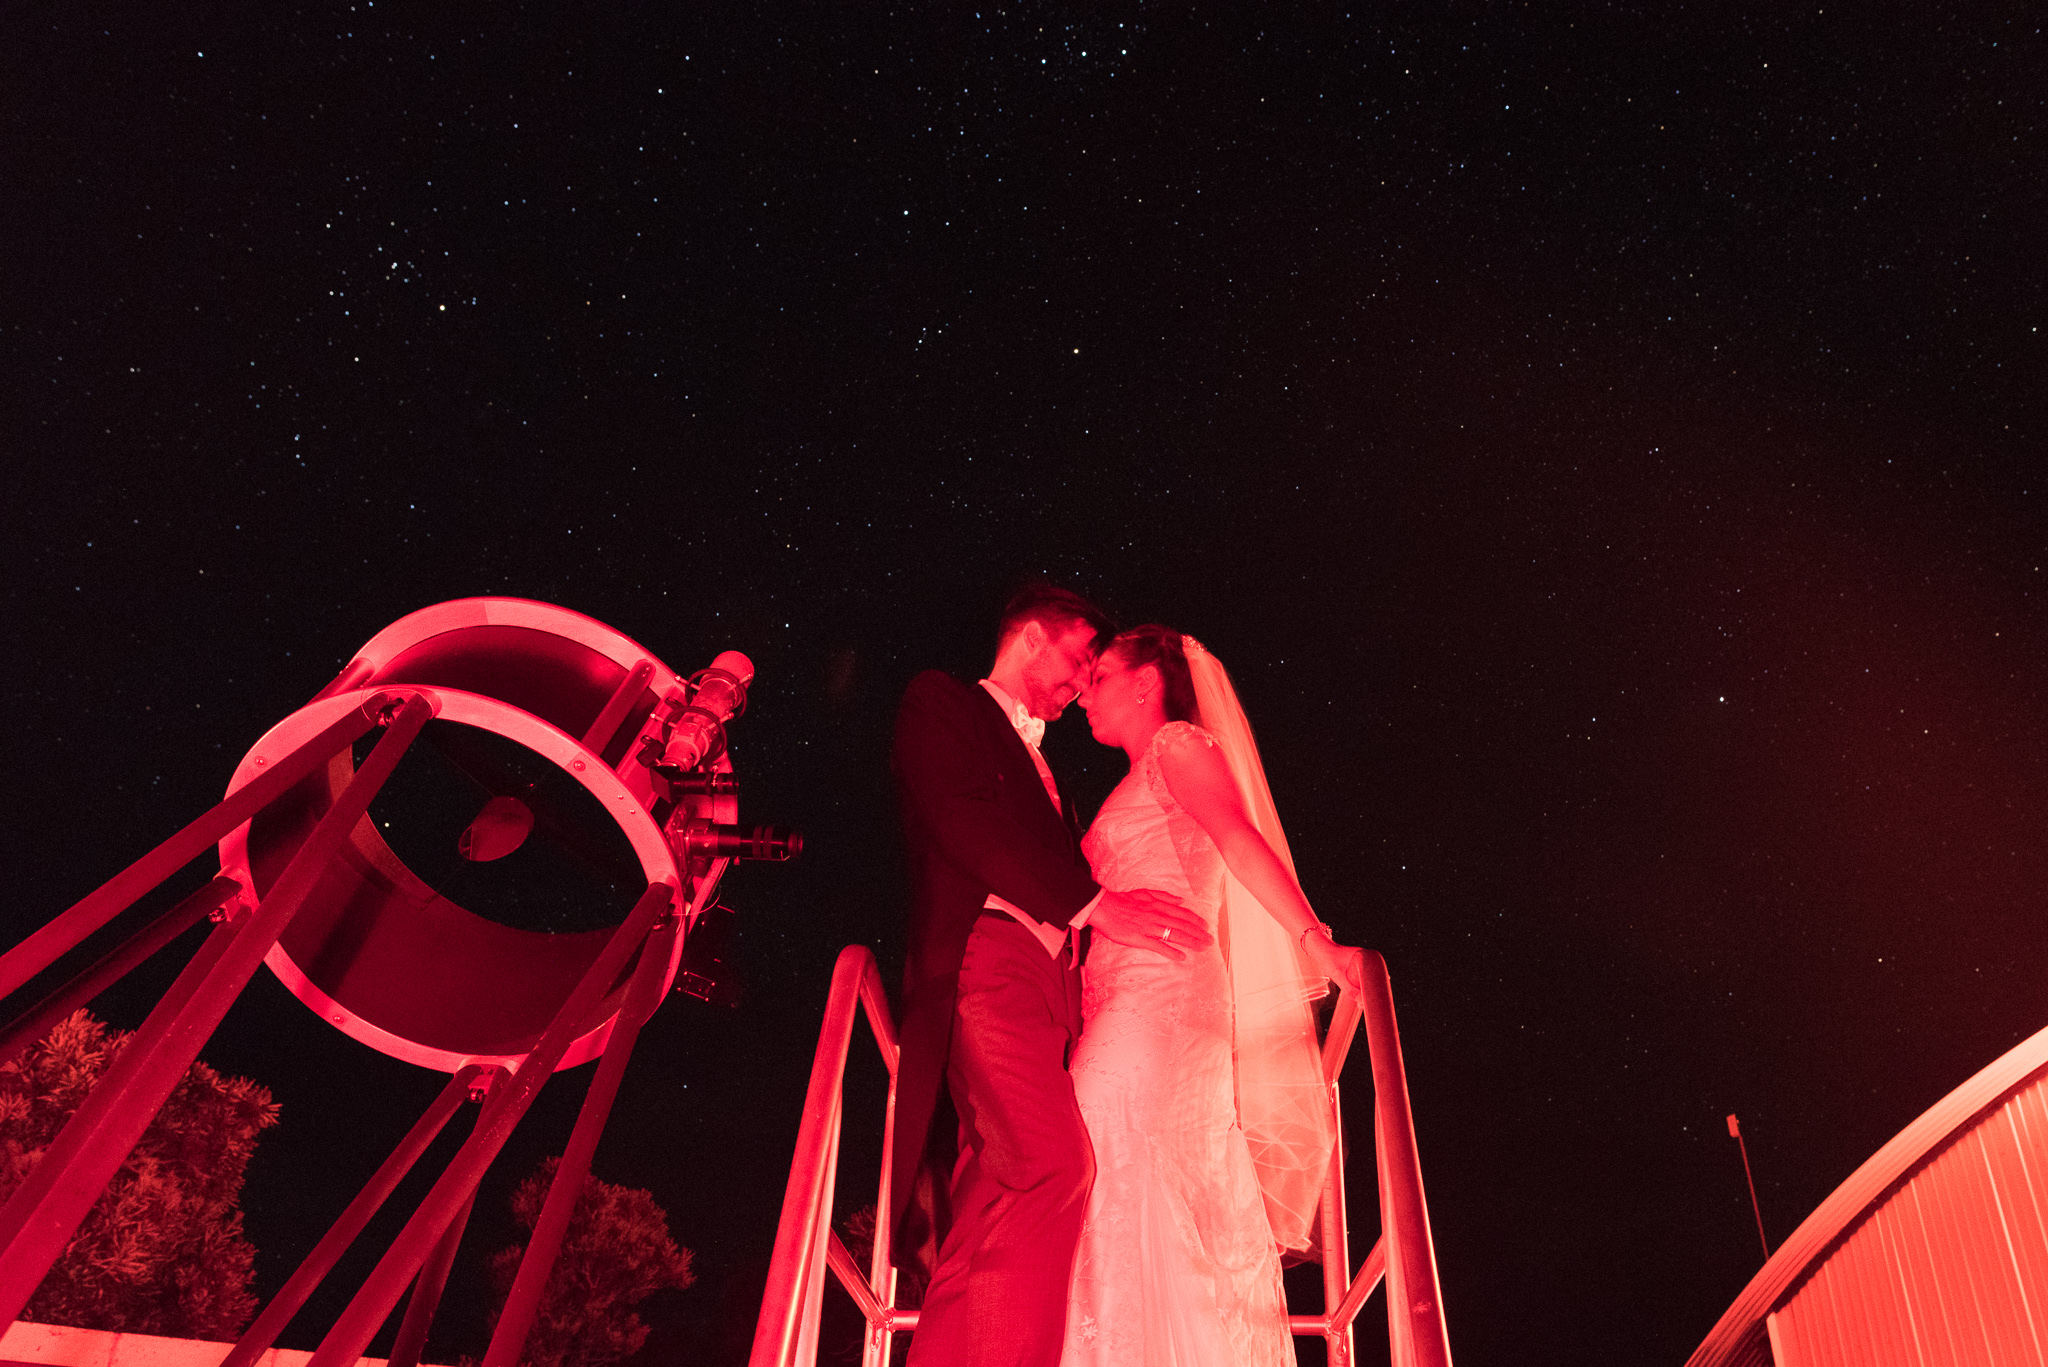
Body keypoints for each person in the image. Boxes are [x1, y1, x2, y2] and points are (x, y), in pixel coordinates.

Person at [890, 588, 1214, 1367]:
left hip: (1049, 995)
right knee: (1053, 1167)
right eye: (1078, 658)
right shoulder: (942, 701)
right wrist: (1097, 904)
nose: (1081, 681)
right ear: (1031, 638)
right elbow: (961, 817)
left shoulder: (1056, 778)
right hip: (988, 960)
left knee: (987, 1208)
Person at [1061, 625, 1369, 1367]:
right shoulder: (1136, 775)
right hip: (1118, 1001)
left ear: (1145, 682)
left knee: (1115, 1171)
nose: (1082, 692)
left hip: (1158, 1000)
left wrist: (1314, 939)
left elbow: (1236, 838)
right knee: (1120, 1183)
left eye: (1098, 675)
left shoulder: (1179, 746)